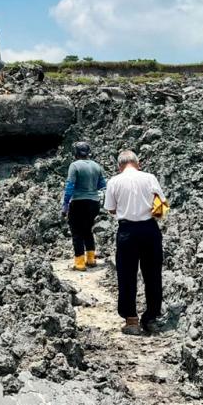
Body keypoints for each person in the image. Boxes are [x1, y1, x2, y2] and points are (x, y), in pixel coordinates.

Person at [104, 149, 167, 336]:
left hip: (127, 232)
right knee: (153, 274)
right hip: (150, 230)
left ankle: (131, 320)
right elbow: (162, 203)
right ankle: (151, 317)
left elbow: (111, 209)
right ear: (138, 164)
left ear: (119, 166)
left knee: (126, 275)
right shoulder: (149, 178)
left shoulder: (114, 181)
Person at [62, 141, 106, 271]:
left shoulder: (74, 166)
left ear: (75, 153)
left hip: (79, 202)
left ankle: (79, 263)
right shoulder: (96, 166)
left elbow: (70, 186)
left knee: (76, 232)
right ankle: (91, 259)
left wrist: (65, 204)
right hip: (94, 203)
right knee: (87, 230)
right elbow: (102, 185)